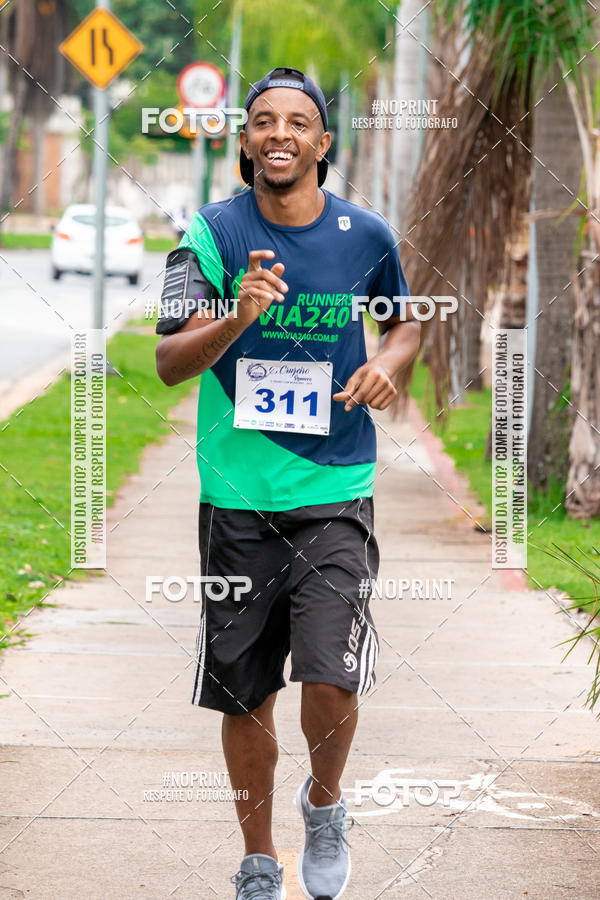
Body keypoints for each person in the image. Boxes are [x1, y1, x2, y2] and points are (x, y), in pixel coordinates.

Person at [155, 66, 420, 900]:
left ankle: (327, 803)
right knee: (245, 694)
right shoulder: (209, 234)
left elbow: (406, 324)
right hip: (237, 497)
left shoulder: (365, 235)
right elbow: (167, 362)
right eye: (262, 120)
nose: (279, 134)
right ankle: (258, 860)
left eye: (297, 122)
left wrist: (388, 364)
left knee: (332, 674)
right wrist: (239, 314)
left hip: (336, 487)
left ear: (322, 142)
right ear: (244, 140)